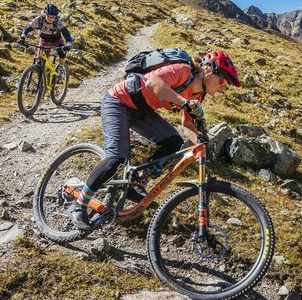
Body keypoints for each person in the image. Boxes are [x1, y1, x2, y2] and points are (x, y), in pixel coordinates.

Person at [69, 49, 241, 230]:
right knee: (116, 158)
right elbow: (153, 83)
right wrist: (184, 102)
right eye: (222, 80)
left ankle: (137, 184)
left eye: (225, 84)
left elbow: (187, 125)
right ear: (207, 71)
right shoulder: (183, 71)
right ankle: (79, 204)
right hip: (118, 102)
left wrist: (200, 141)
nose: (222, 86)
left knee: (173, 142)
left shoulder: (198, 95)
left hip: (142, 111)